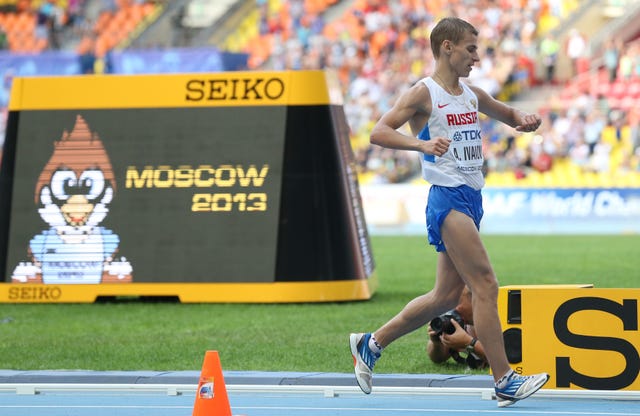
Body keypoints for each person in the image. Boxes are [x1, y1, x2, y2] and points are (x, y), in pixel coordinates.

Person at [349, 17, 549, 407]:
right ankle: (504, 379)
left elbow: (507, 113)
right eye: (470, 49)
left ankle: (370, 344)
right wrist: (421, 146)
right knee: (486, 285)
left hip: (472, 198)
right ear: (447, 47)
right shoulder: (423, 93)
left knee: (443, 297)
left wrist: (524, 122)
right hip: (448, 198)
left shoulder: (471, 95)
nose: (477, 56)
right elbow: (378, 131)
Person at [426, 286, 488, 369]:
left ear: (476, 300)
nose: (452, 310)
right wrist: (436, 343)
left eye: (456, 302)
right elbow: (438, 359)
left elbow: (505, 358)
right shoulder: (462, 321)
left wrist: (469, 343)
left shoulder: (502, 319)